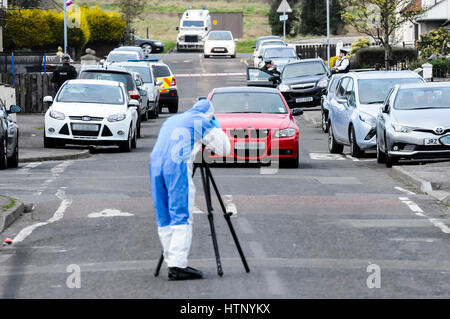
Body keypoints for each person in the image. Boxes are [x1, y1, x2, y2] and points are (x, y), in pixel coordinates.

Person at [150, 99, 231, 281]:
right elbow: (225, 148)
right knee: (181, 214)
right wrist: (215, 127)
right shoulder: (200, 121)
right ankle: (177, 266)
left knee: (164, 216)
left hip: (155, 165)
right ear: (209, 115)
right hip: (176, 167)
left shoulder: (171, 120)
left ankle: (171, 260)